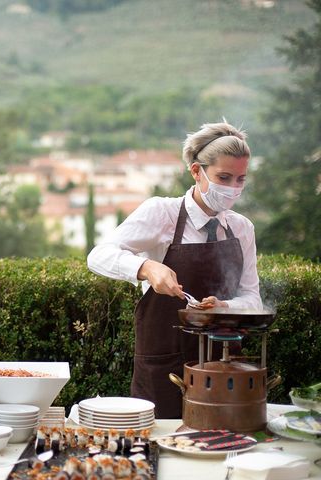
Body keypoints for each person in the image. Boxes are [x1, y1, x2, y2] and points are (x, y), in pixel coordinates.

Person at [86, 121, 262, 419]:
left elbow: (252, 299)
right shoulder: (162, 213)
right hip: (162, 367)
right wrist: (146, 267)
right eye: (223, 177)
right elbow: (98, 255)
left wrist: (226, 306)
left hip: (222, 368)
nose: (232, 188)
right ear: (196, 171)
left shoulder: (242, 229)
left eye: (240, 179)